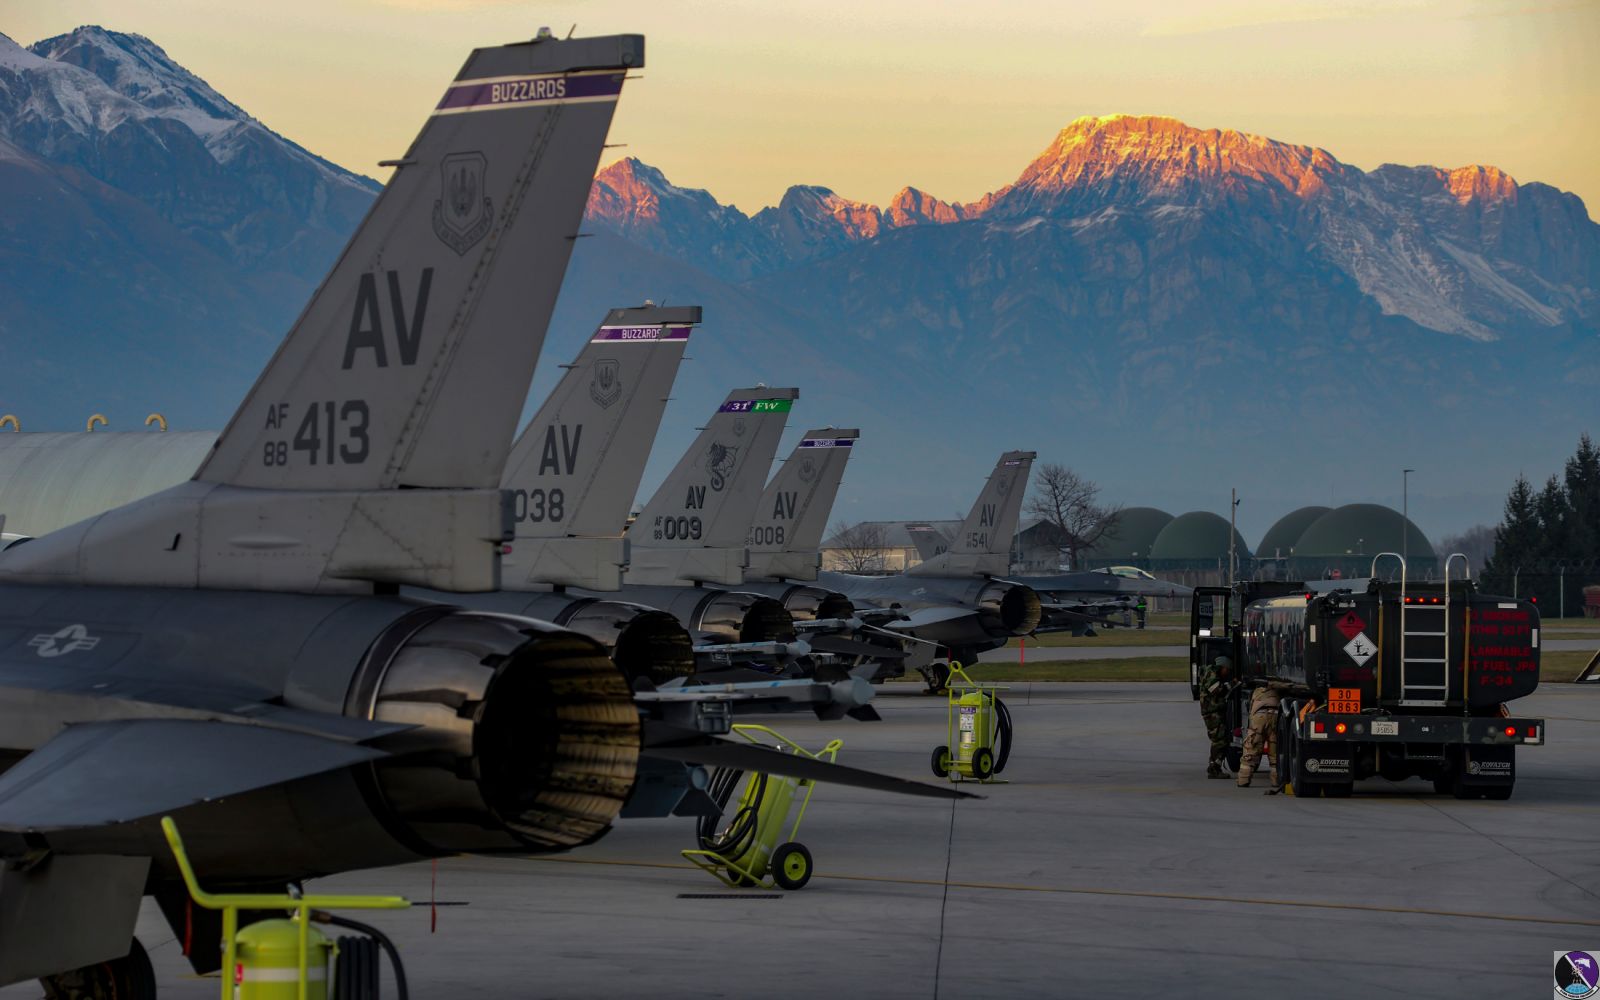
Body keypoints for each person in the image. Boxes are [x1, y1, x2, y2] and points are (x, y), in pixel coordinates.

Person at [1237, 677, 1295, 789]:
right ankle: (1276, 780)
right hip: (1275, 716)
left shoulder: (1257, 691)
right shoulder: (1279, 688)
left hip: (1259, 718)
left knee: (1251, 748)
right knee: (1274, 751)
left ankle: (1243, 779)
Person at [1198, 655, 1235, 779]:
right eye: (1227, 670)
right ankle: (1214, 769)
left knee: (1220, 740)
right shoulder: (1212, 675)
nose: (1227, 673)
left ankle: (1214, 767)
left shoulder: (1211, 673)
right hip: (1212, 712)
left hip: (1213, 711)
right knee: (1219, 741)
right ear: (1222, 667)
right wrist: (1232, 684)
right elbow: (1217, 691)